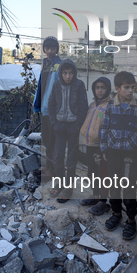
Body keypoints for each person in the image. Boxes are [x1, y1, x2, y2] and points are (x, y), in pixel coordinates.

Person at [100, 71, 137, 240]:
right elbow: (104, 128)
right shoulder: (110, 106)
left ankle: (131, 220)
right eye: (127, 87)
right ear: (117, 88)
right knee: (114, 185)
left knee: (129, 187)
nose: (130, 91)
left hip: (131, 154)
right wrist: (104, 149)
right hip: (113, 152)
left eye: (132, 87)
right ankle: (116, 213)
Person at [48, 59, 88, 203]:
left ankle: (68, 187)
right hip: (59, 126)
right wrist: (54, 122)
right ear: (61, 74)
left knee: (71, 158)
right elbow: (51, 104)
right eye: (65, 73)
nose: (68, 76)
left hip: (73, 127)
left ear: (74, 73)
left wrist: (77, 125)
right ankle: (60, 182)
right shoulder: (56, 85)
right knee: (58, 157)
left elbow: (84, 106)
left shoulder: (79, 85)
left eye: (71, 73)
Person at [79, 77, 112, 216]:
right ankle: (95, 195)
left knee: (102, 173)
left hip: (101, 145)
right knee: (91, 172)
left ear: (108, 89)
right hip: (89, 143)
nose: (99, 90)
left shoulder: (110, 105)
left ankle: (103, 201)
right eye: (97, 87)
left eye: (102, 87)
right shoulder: (92, 105)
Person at [33, 36, 62, 177]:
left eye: (52, 48)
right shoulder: (45, 63)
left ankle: (54, 170)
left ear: (57, 49)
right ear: (44, 49)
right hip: (44, 109)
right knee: (47, 140)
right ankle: (49, 167)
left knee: (53, 141)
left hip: (53, 111)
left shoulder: (59, 64)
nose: (49, 50)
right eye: (47, 48)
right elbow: (41, 85)